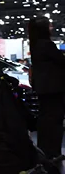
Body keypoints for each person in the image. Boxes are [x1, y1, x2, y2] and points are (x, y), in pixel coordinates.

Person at [28, 17, 65, 166]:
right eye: (49, 25)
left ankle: (45, 152)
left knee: (45, 119)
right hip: (54, 89)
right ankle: (53, 152)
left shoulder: (35, 44)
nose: (51, 27)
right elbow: (61, 61)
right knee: (54, 120)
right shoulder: (46, 45)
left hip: (44, 88)